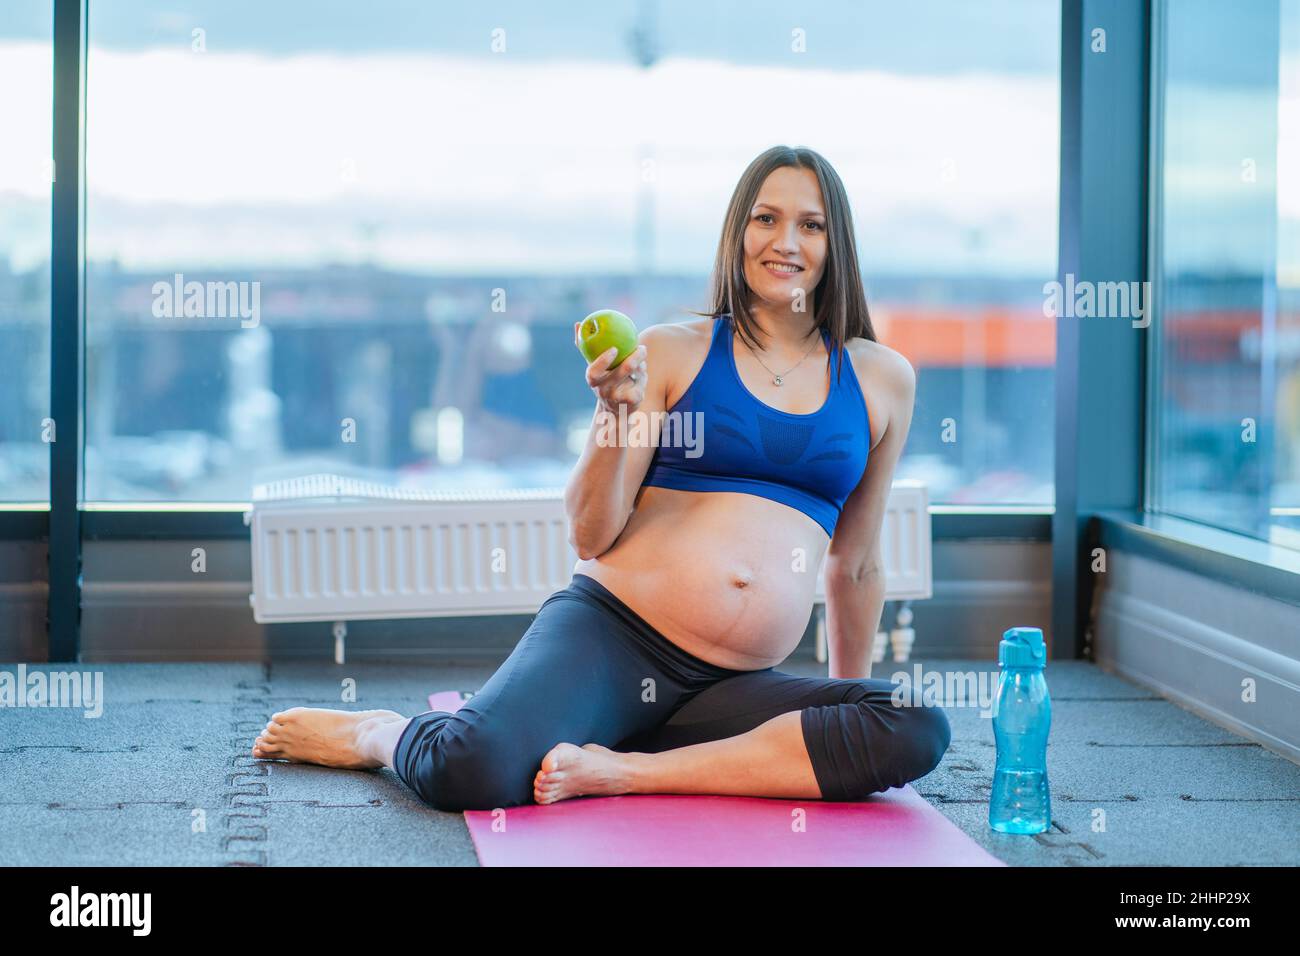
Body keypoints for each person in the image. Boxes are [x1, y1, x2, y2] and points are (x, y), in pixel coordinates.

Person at [251, 145, 951, 810]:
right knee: (472, 767)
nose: (785, 241)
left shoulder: (881, 379)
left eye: (811, 224)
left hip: (736, 686)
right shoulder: (667, 352)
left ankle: (628, 769)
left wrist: (844, 700)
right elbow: (591, 533)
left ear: (836, 245)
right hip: (614, 638)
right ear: (738, 233)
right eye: (766, 218)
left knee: (913, 722)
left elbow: (855, 564)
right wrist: (616, 416)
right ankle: (376, 732)